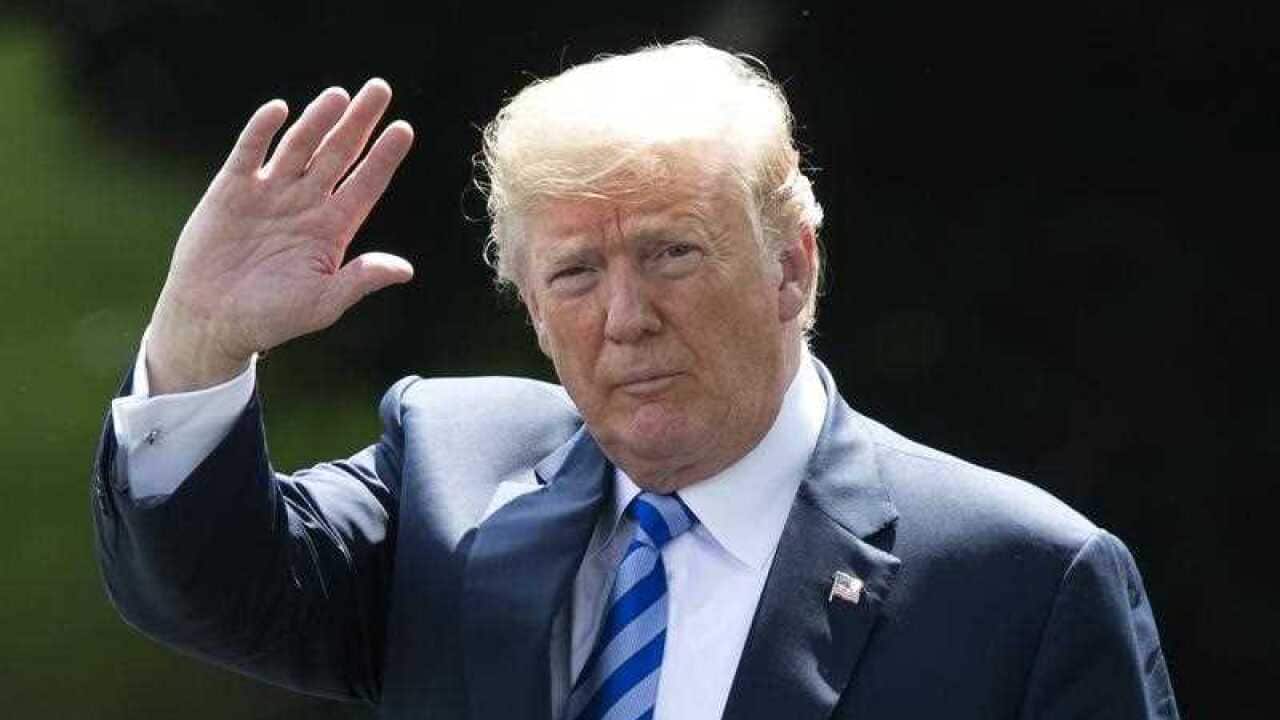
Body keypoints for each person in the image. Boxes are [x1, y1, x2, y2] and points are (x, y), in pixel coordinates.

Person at [91, 40, 1179, 719]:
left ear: (791, 266)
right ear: (529, 305)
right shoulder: (452, 473)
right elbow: (208, 588)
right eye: (574, 273)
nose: (625, 318)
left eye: (671, 253)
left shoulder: (1023, 582)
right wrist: (198, 343)